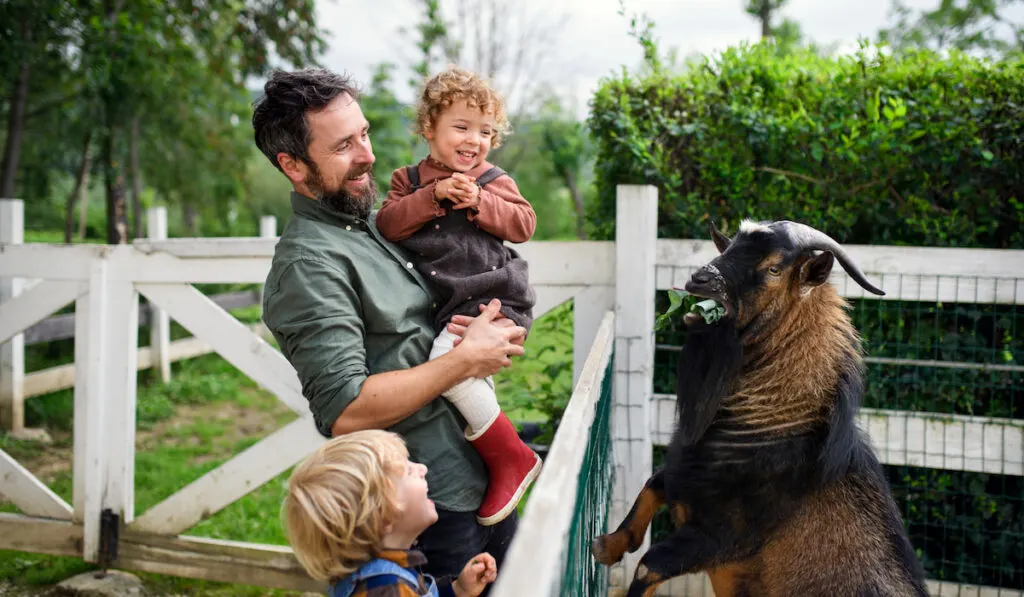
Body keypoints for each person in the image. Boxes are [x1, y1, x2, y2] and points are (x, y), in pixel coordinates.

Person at [253, 68, 525, 593]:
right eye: (342, 147)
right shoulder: (309, 264)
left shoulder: (368, 223)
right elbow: (346, 410)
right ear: (292, 164)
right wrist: (465, 360)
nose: (368, 154)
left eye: (365, 134)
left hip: (472, 476)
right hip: (428, 507)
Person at [376, 67, 541, 527]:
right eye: (462, 127)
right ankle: (494, 463)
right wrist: (434, 195)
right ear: (429, 128)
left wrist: (479, 204)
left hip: (495, 299)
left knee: (449, 370)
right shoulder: (407, 180)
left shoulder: (492, 180)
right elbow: (389, 223)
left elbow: (524, 224)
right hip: (450, 305)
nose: (475, 140)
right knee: (463, 379)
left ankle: (512, 458)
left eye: (486, 131)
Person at [283, 430, 498, 597]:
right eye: (407, 471)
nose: (422, 468)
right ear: (384, 514)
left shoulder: (386, 575)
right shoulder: (385, 590)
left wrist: (457, 590)